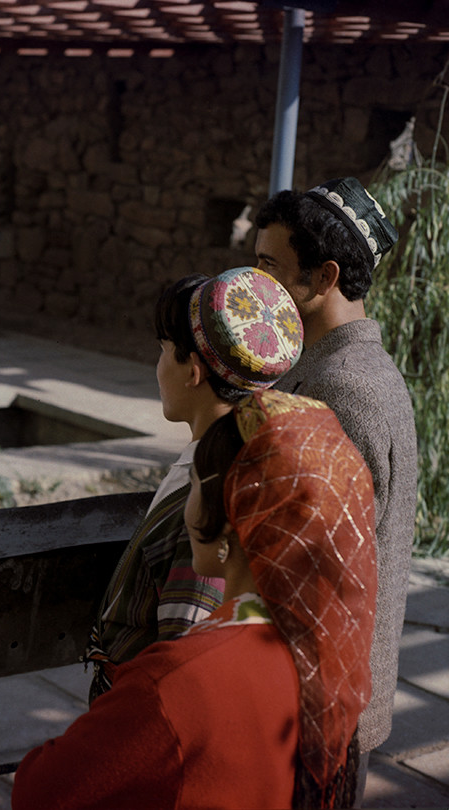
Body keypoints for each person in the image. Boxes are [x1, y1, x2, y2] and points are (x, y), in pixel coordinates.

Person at [12, 390, 377, 809]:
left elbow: (38, 790)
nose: (186, 507)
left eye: (193, 486)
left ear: (228, 519)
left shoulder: (178, 679)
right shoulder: (328, 655)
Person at [254, 176, 417, 799]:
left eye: (271, 266)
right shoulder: (347, 369)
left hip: (317, 703)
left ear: (323, 278)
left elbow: (317, 565)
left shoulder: (341, 390)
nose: (257, 282)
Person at [85, 266, 304, 700]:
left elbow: (183, 657)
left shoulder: (207, 499)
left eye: (165, 349)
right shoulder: (230, 463)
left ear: (193, 372)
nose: (158, 365)